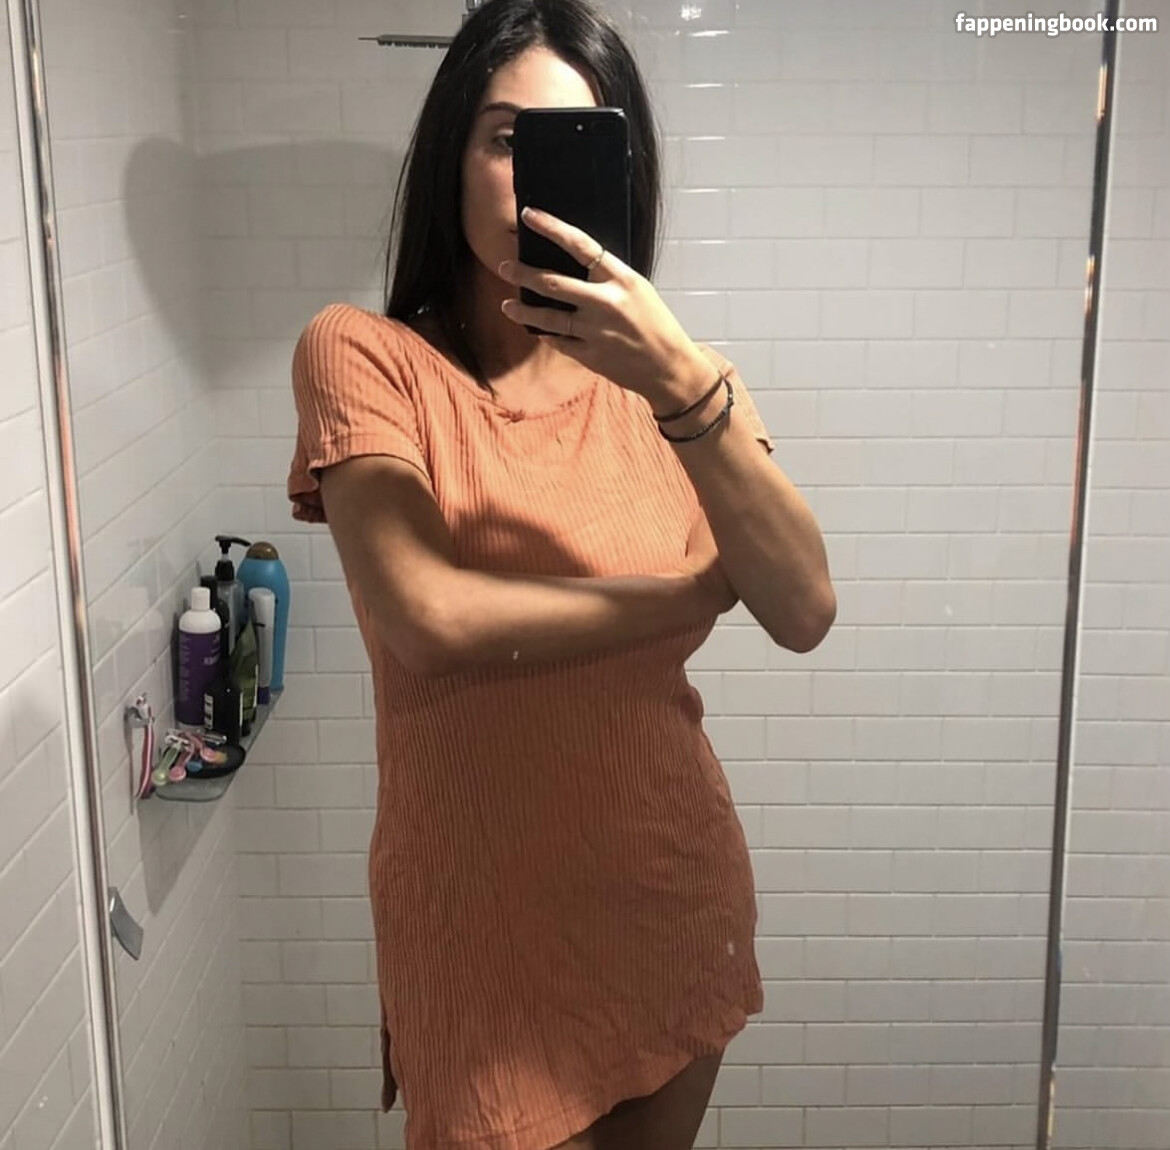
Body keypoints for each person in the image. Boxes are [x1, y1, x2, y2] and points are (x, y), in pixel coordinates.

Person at [286, 1, 835, 1148]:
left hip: (668, 899)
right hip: (478, 942)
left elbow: (801, 606)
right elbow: (428, 615)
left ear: (619, 176)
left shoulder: (685, 388)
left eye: (568, 145)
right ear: (451, 155)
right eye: (504, 138)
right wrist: (687, 595)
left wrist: (678, 380)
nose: (530, 182)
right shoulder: (366, 356)